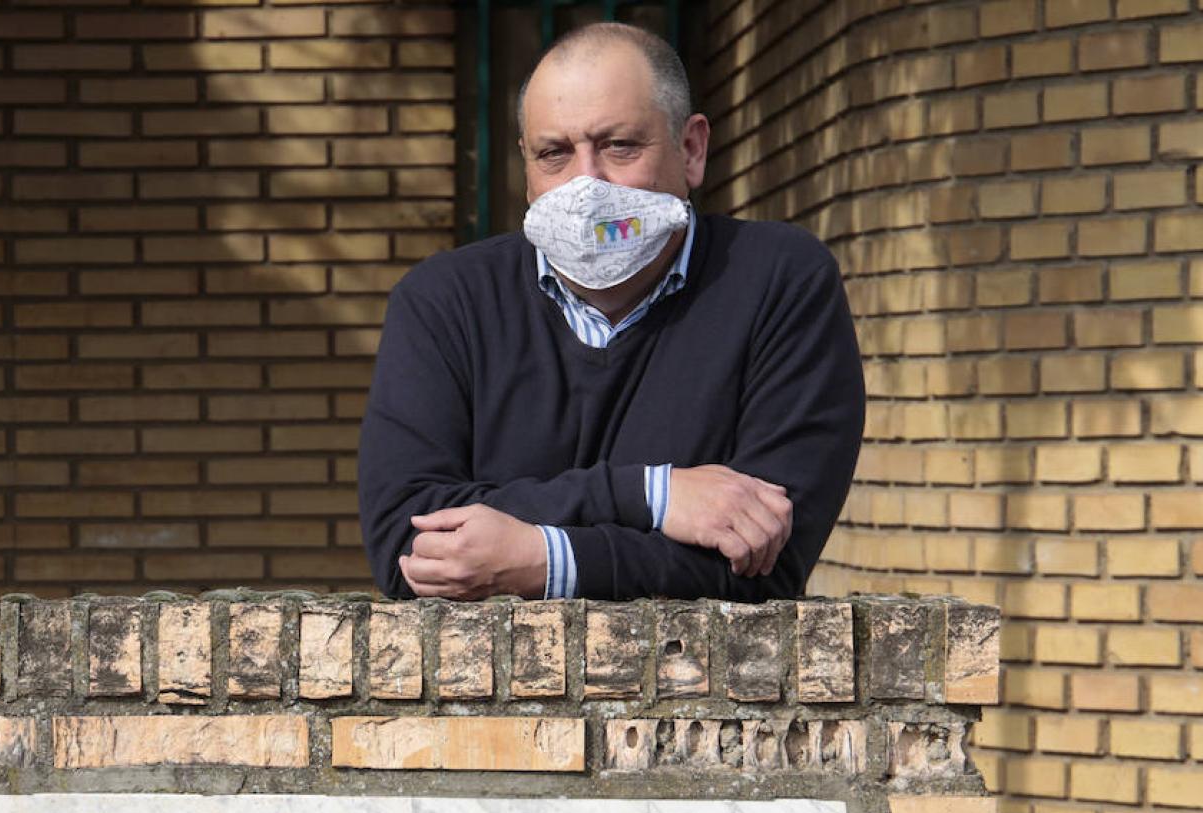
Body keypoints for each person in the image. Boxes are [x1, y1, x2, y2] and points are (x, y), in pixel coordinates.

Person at [357, 22, 864, 602]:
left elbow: (766, 560)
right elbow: (408, 543)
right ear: (525, 166)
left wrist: (541, 559)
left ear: (691, 149)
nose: (587, 185)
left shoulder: (780, 281)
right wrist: (653, 496)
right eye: (554, 154)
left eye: (619, 146)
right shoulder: (444, 300)